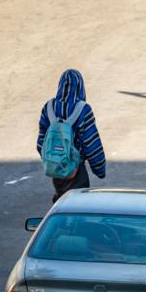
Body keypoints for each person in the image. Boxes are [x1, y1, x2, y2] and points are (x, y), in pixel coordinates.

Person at [37, 69, 106, 202]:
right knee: (78, 205)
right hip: (76, 170)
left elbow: (41, 142)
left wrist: (54, 159)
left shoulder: (49, 107)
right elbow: (91, 143)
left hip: (56, 170)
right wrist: (99, 170)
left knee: (61, 201)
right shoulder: (83, 110)